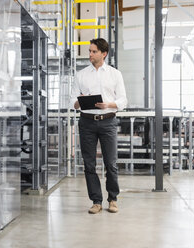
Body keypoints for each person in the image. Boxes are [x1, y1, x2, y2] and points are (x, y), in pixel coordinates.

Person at [71, 38, 127, 214]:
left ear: (103, 54)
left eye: (93, 51)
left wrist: (108, 104)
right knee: (89, 164)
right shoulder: (81, 75)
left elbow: (123, 100)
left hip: (108, 121)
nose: (90, 54)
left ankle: (113, 199)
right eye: (89, 51)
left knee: (111, 162)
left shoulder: (115, 74)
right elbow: (72, 102)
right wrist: (80, 101)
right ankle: (96, 201)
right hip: (86, 122)